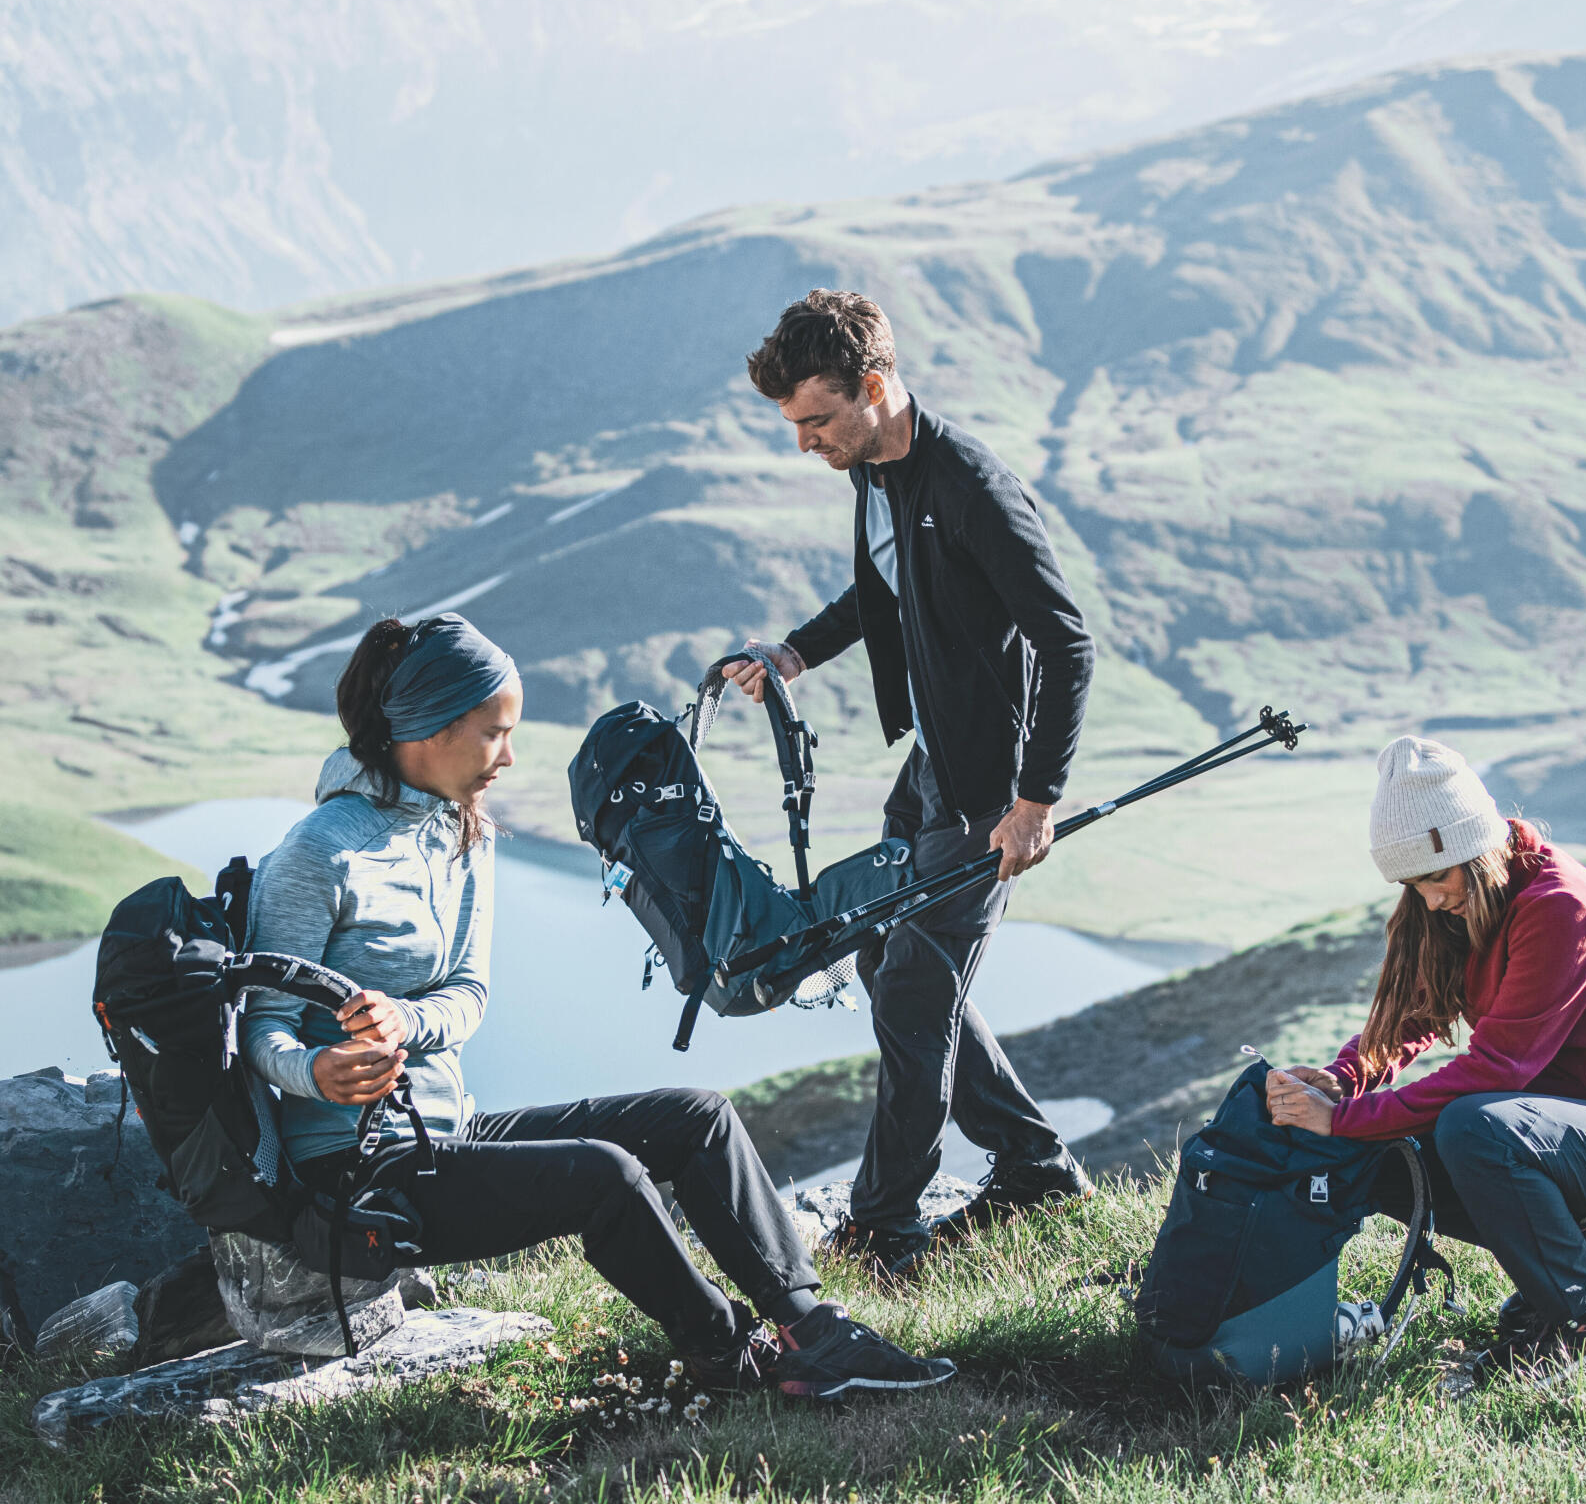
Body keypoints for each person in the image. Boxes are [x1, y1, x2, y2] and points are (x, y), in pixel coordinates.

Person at [240, 610, 955, 1399]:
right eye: (492, 734)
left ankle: (814, 1329)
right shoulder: (318, 853)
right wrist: (319, 1069)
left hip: (442, 1128)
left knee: (698, 1117)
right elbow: (261, 1032)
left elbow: (468, 995)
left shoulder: (459, 831)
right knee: (604, 1176)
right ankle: (730, 1355)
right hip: (359, 1170)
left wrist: (409, 1022)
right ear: (426, 730)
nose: (509, 757)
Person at [727, 288, 1097, 1278]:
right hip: (929, 769)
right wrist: (798, 653)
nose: (805, 443)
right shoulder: (878, 475)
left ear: (875, 386)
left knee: (911, 1008)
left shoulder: (969, 482)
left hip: (985, 794)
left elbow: (1068, 644)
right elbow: (884, 590)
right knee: (878, 952)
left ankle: (883, 1226)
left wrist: (1036, 800)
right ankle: (1032, 1166)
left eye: (815, 420)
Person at [1266, 736, 1586, 1379]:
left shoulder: (1560, 908)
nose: (1428, 899)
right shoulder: (1468, 898)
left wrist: (1338, 1121)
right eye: (1412, 884)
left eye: (1435, 878)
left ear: (1473, 848)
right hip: (1571, 1133)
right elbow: (1411, 1017)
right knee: (1385, 1156)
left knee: (1472, 1127)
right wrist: (1345, 1083)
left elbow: (1497, 1070)